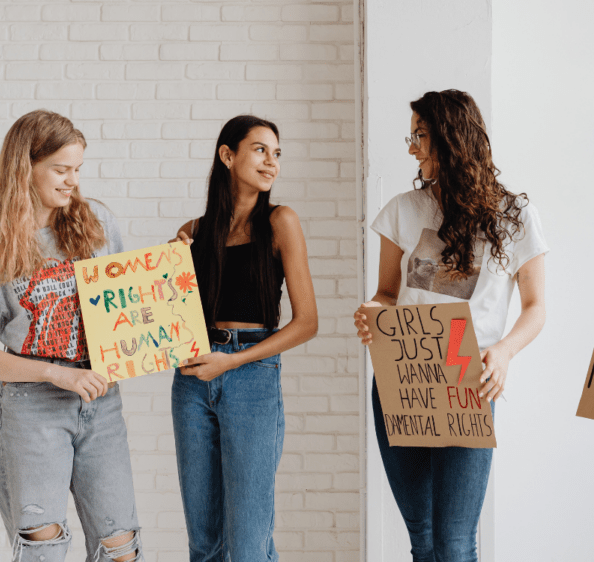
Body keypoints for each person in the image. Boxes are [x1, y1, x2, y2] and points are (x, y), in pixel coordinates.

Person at [353, 89, 548, 562]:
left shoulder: (514, 217)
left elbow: (537, 306)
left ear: (451, 139)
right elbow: (385, 293)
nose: (411, 147)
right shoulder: (402, 210)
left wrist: (503, 352)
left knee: (455, 543)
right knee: (423, 538)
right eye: (412, 135)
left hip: (468, 382)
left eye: (420, 135)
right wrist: (375, 311)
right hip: (403, 378)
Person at [0, 110, 142, 562]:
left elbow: (130, 310)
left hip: (100, 404)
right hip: (31, 411)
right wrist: (57, 375)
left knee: (121, 547)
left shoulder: (99, 224)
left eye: (77, 170)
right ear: (24, 167)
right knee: (43, 547)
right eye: (60, 169)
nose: (72, 180)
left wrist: (171, 273)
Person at [170, 115, 318, 562]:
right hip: (192, 380)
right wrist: (169, 267)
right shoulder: (193, 233)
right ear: (228, 155)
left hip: (251, 376)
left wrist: (231, 361)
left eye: (276, 153)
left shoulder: (280, 221)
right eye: (260, 149)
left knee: (249, 543)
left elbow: (306, 322)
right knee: (204, 541)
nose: (271, 162)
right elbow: (170, 318)